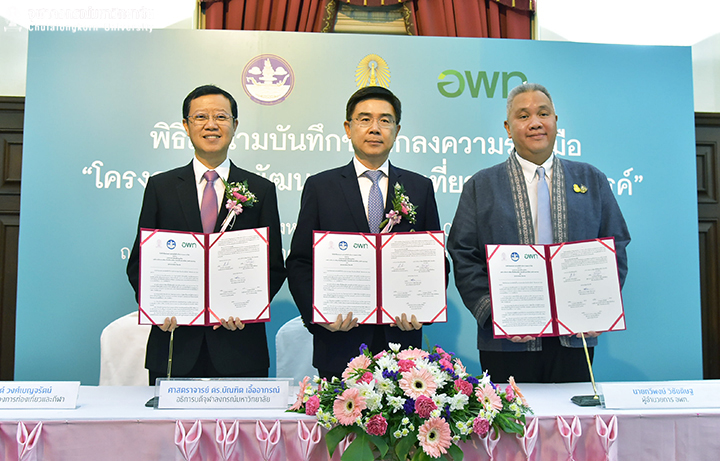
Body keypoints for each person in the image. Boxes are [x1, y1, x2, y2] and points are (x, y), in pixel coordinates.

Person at [447, 82, 630, 383]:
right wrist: (494, 313)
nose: (535, 123)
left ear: (556, 121)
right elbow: (463, 254)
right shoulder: (481, 186)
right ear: (508, 128)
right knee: (509, 414)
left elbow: (615, 244)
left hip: (575, 337)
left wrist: (599, 306)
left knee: (571, 412)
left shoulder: (591, 179)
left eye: (543, 114)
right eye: (523, 116)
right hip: (505, 343)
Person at [127, 84, 286, 384]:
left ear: (235, 125)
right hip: (175, 343)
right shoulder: (161, 188)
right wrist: (158, 307)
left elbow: (273, 267)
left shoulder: (261, 189)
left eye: (221, 117)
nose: (211, 124)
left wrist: (247, 308)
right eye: (200, 117)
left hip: (240, 346)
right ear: (186, 126)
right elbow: (139, 263)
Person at [286, 86, 443, 379]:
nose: (375, 128)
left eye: (385, 120)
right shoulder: (321, 187)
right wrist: (318, 315)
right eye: (365, 119)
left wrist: (423, 311)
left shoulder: (419, 187)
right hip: (339, 342)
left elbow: (434, 260)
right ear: (348, 128)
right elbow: (300, 262)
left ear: (397, 130)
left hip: (401, 344)